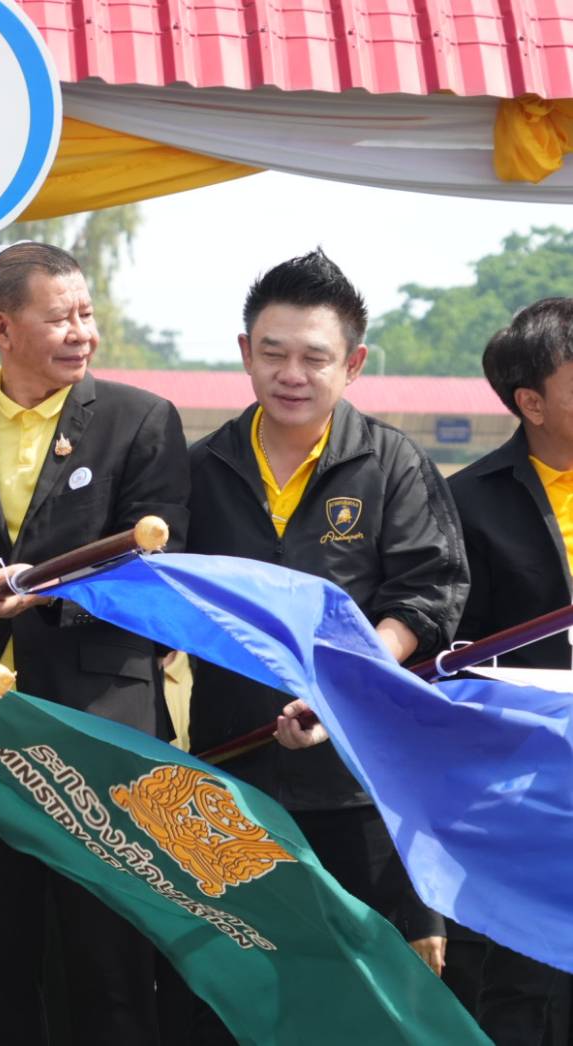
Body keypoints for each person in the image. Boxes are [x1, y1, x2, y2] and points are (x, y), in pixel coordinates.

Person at [0, 242, 188, 1045]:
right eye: (59, 317)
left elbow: (159, 564)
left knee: (105, 955)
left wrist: (55, 591)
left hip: (97, 725)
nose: (81, 333)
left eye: (86, 314)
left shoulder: (141, 419)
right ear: (2, 328)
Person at [185, 249, 466, 1034]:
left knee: (379, 990)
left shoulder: (393, 467)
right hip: (233, 780)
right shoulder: (197, 469)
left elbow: (428, 595)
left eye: (314, 357)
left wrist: (338, 684)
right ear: (243, 352)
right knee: (247, 984)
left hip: (363, 786)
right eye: (271, 353)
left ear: (353, 364)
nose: (291, 374)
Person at [449, 297, 573, 1044]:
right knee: (524, 984)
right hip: (525, 787)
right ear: (530, 402)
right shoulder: (466, 502)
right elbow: (457, 653)